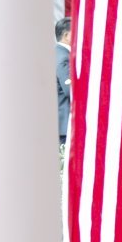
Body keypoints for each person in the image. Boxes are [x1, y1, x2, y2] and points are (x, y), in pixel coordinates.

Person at [55, 17, 72, 147]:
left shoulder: (57, 53)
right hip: (66, 124)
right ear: (66, 35)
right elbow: (69, 90)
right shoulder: (64, 58)